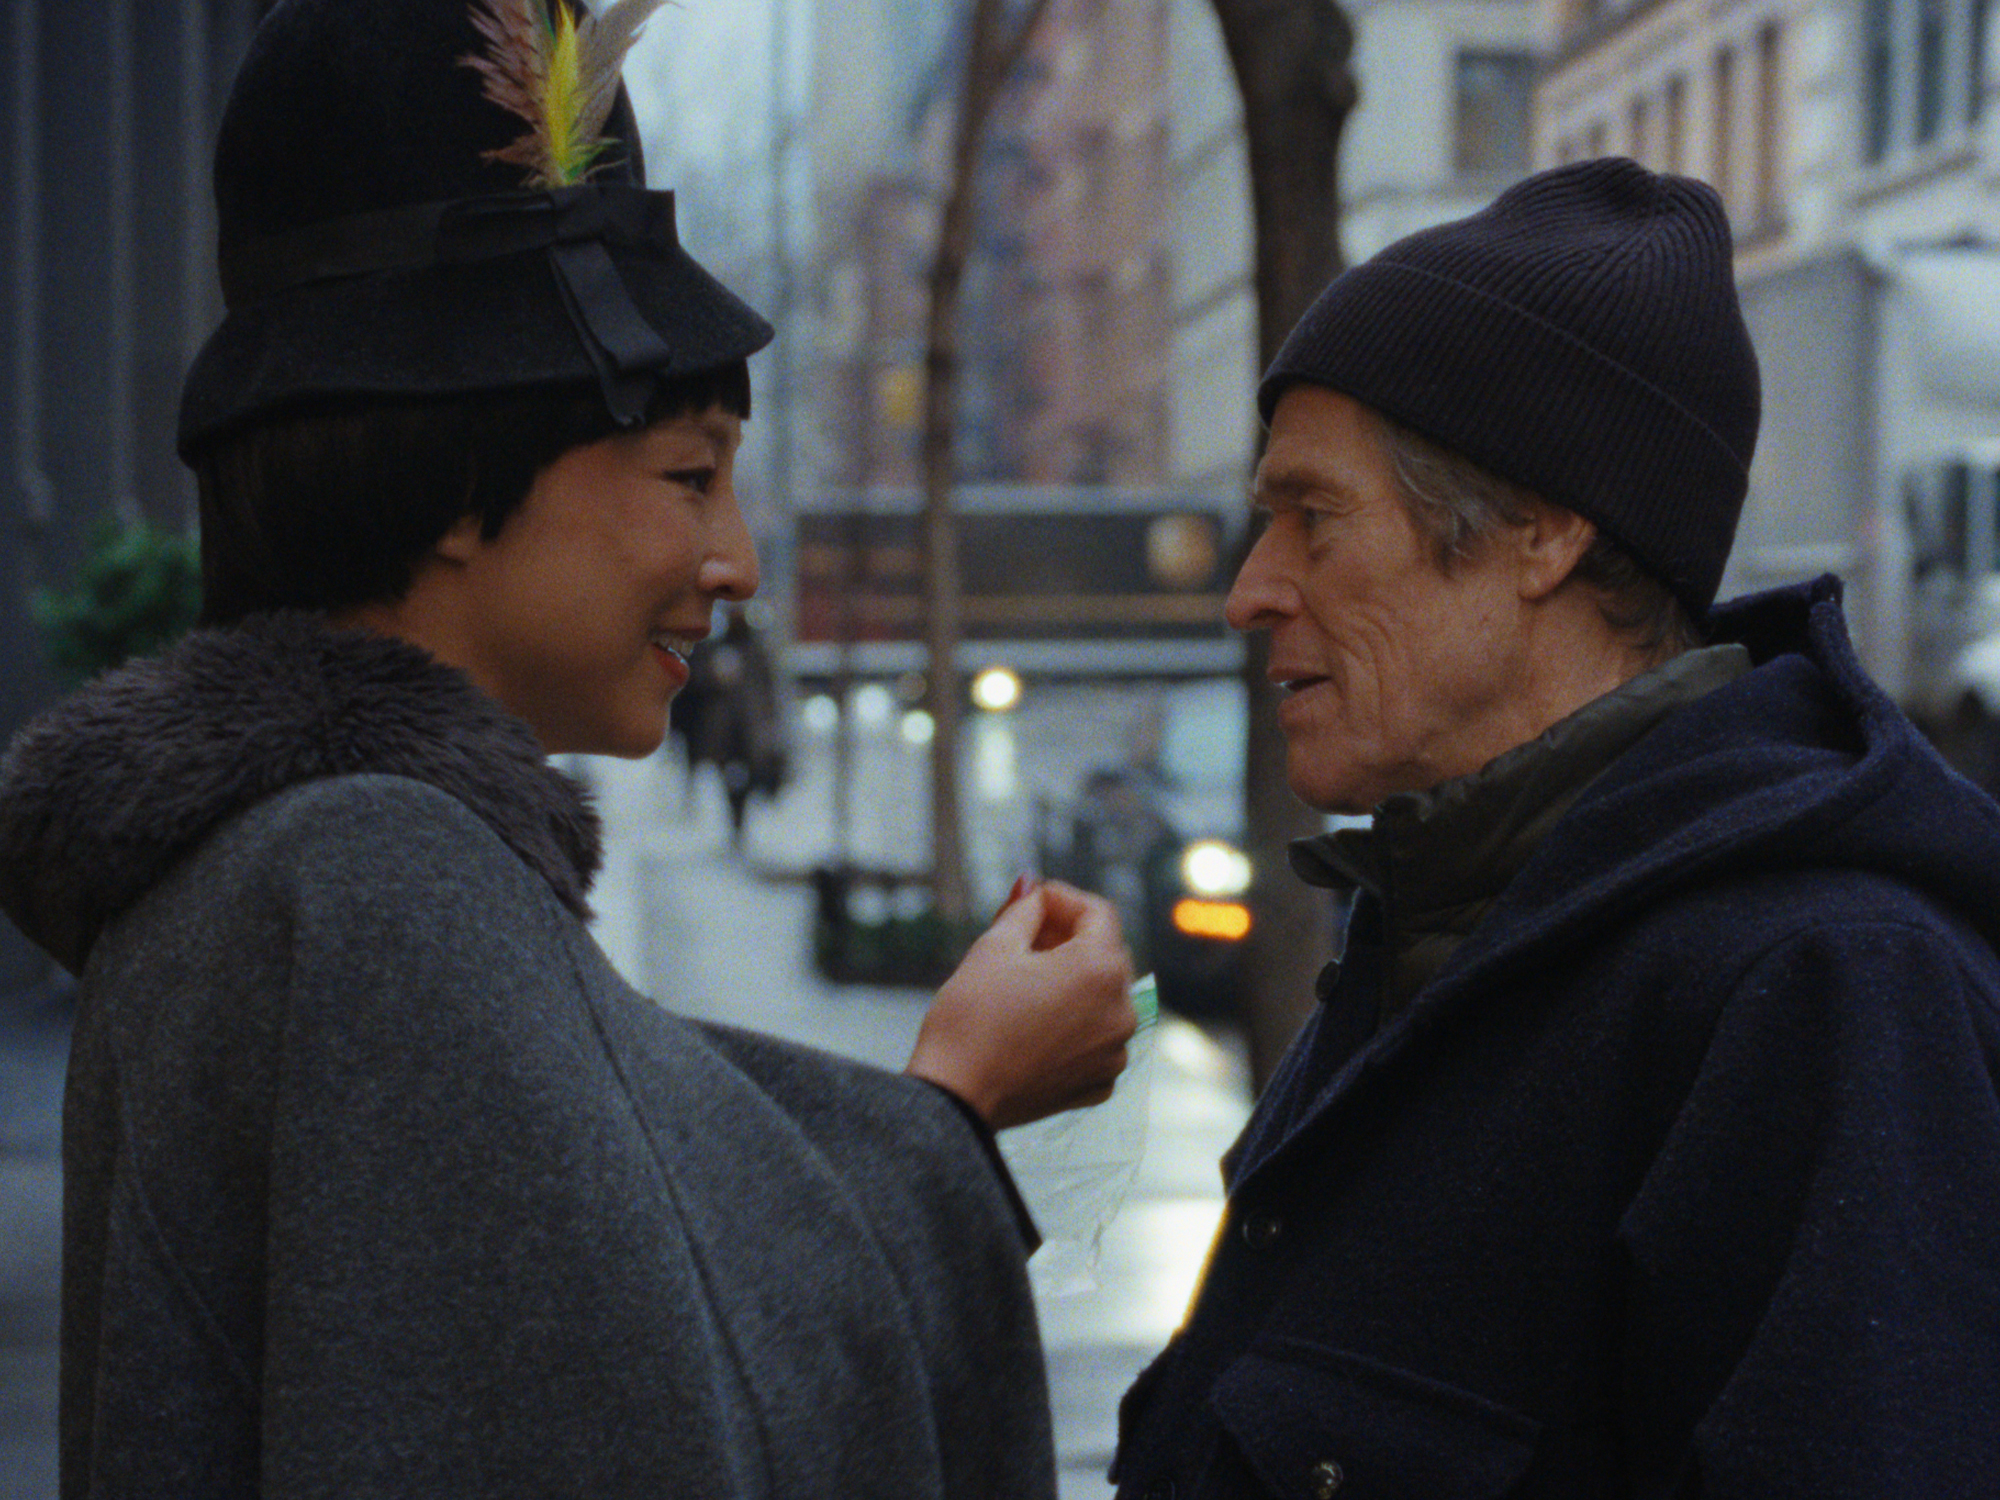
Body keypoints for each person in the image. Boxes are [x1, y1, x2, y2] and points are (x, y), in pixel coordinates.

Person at [0, 2, 1134, 1495]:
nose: (734, 560)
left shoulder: (290, 863)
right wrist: (952, 1119)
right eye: (688, 474)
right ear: (460, 477)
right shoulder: (369, 884)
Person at [1111, 158, 2000, 1498]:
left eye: (1314, 519)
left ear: (1543, 533)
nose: (1251, 591)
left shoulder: (1823, 994)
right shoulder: (1436, 917)